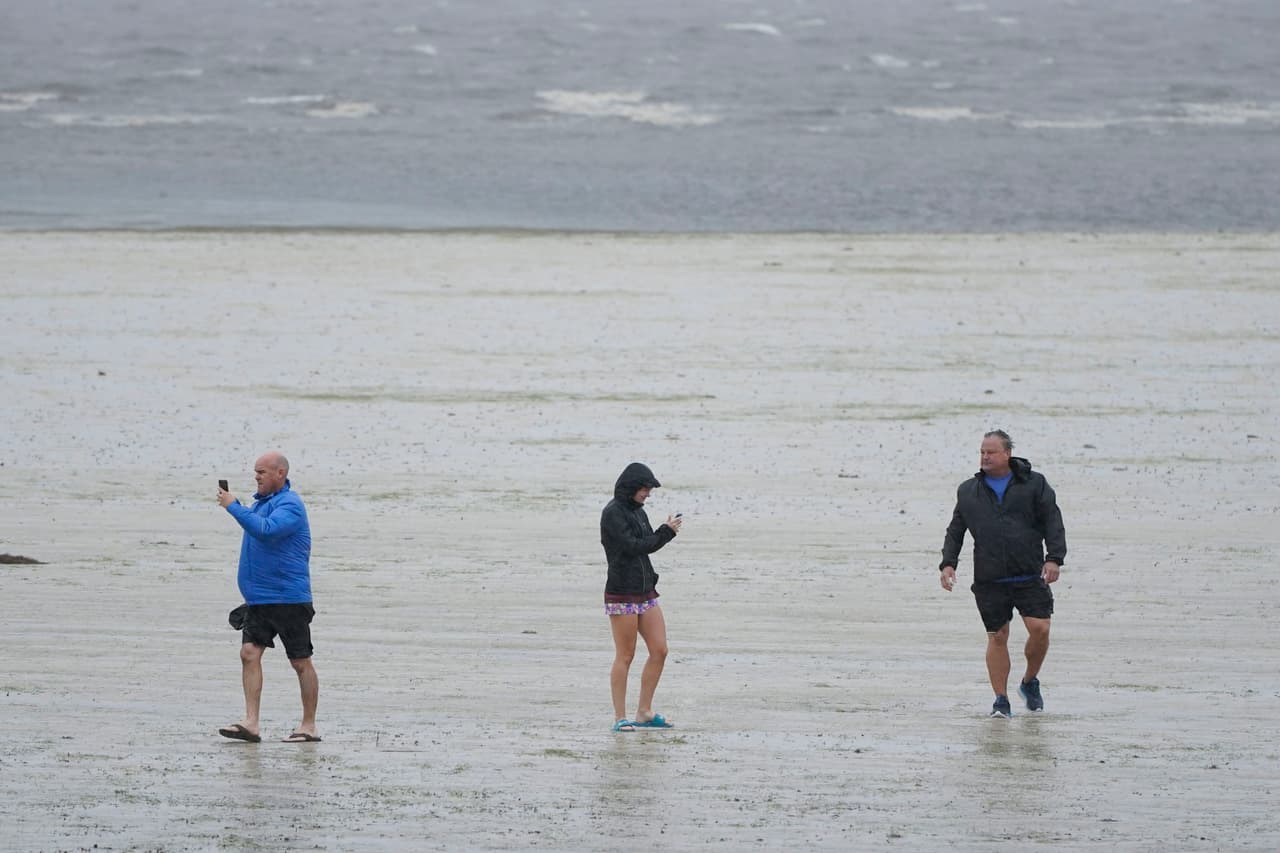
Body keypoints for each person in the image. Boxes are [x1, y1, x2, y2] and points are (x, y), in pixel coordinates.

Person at [939, 430, 1066, 718]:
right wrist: (948, 563)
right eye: (982, 451)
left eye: (991, 452)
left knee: (1040, 629)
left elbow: (1053, 521)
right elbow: (956, 529)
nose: (985, 456)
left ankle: (1029, 681)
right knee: (997, 636)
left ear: (1007, 454)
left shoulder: (1034, 484)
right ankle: (1001, 700)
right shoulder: (969, 490)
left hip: (1029, 573)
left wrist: (1054, 559)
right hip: (990, 578)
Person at [216, 451, 321, 743]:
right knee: (249, 654)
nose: (257, 477)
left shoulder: (291, 504)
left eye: (262, 472)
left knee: (300, 661)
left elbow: (266, 531)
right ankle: (251, 723)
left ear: (280, 474)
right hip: (259, 599)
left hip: (289, 598)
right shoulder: (260, 505)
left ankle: (309, 726)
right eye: (255, 472)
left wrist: (233, 506)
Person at [601, 462, 683, 732]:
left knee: (660, 650)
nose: (647, 494)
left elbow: (649, 543)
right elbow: (634, 546)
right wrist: (666, 532)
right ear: (631, 487)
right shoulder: (612, 513)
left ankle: (644, 712)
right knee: (625, 655)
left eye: (649, 490)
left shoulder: (638, 512)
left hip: (646, 591)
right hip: (622, 593)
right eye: (645, 489)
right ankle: (619, 717)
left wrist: (664, 532)